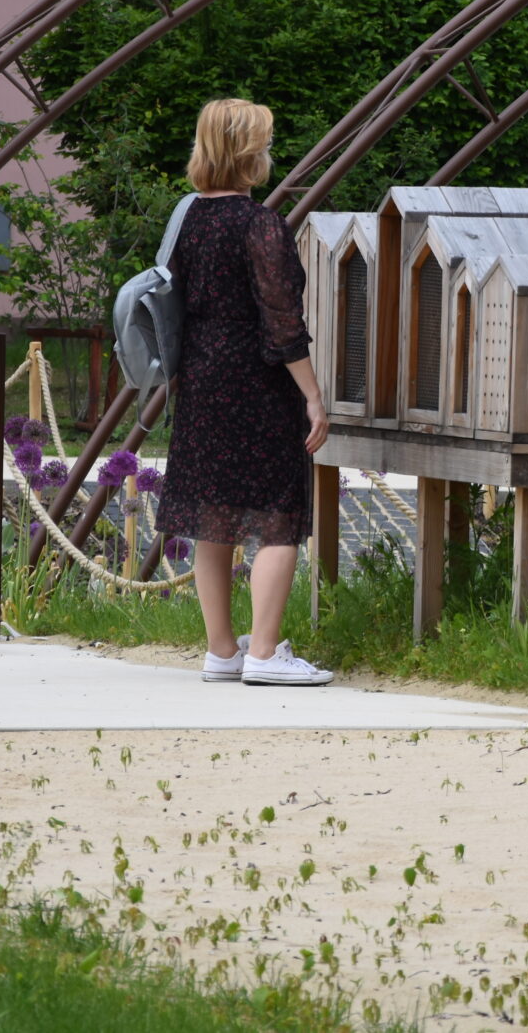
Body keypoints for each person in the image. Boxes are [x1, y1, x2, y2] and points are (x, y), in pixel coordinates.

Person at [155, 98, 334, 687]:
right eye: (264, 142)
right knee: (278, 515)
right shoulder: (259, 224)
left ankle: (221, 650)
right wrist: (312, 394)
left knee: (214, 515)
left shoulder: (187, 220)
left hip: (202, 379)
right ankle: (263, 654)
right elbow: (282, 323)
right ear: (248, 152)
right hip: (257, 382)